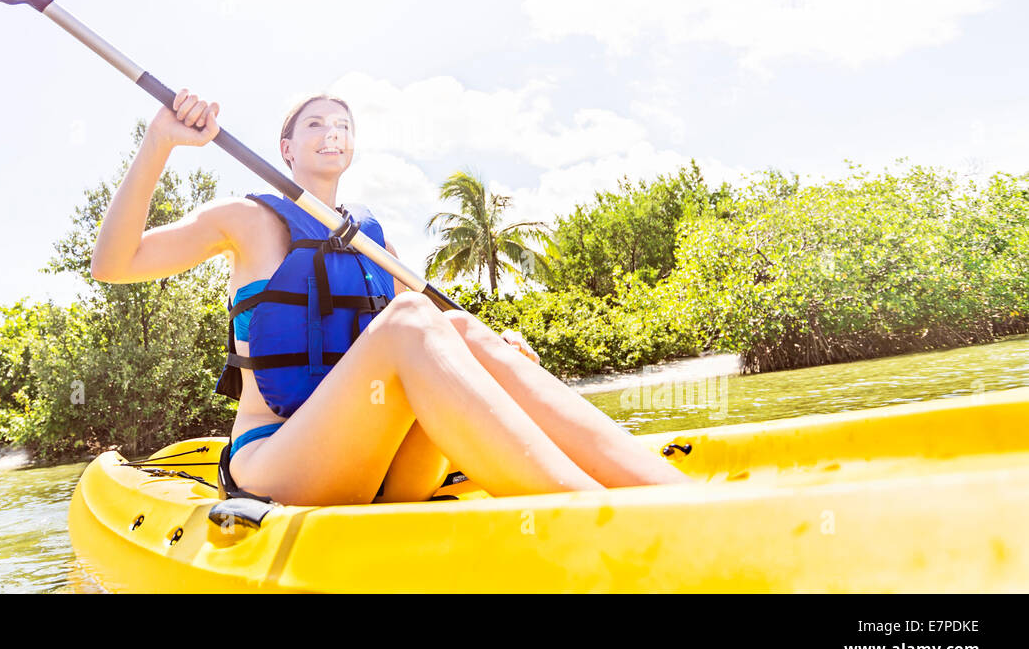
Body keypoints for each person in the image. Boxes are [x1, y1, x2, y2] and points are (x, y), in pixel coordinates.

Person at [91, 89, 691, 506]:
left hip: (384, 470)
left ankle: (670, 496)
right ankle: (592, 514)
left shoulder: (372, 242)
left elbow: (445, 336)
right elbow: (113, 266)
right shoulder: (244, 221)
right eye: (316, 125)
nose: (334, 133)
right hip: (279, 463)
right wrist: (160, 142)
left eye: (344, 127)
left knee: (461, 332)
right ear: (287, 149)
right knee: (410, 317)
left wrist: (495, 349)